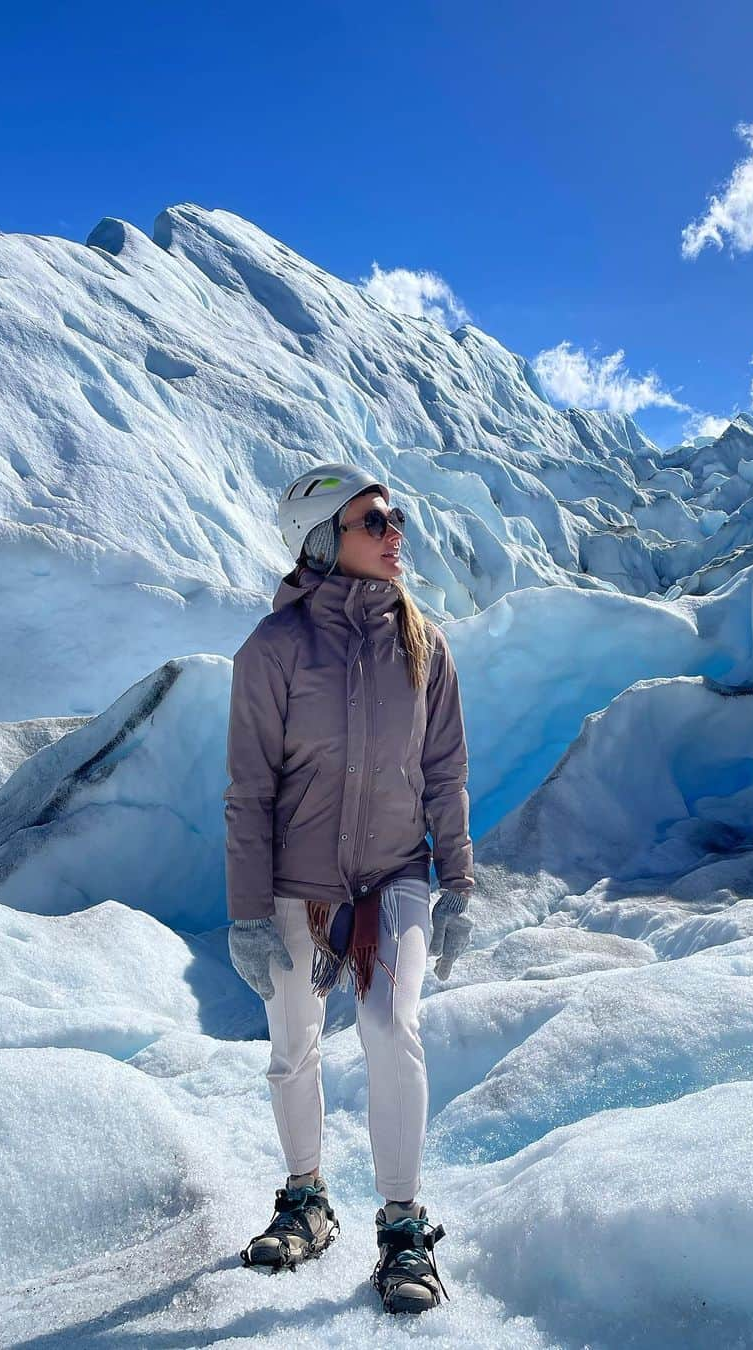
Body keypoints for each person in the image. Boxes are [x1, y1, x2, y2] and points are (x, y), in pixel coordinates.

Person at [224, 462, 474, 1314]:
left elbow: (445, 775)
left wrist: (462, 887)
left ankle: (404, 1225)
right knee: (294, 1048)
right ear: (325, 539)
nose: (396, 531)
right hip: (298, 888)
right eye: (376, 520)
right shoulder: (273, 651)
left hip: (395, 878)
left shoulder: (424, 642)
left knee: (389, 1028)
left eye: (394, 517)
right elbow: (249, 791)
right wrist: (247, 913)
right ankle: (306, 1201)